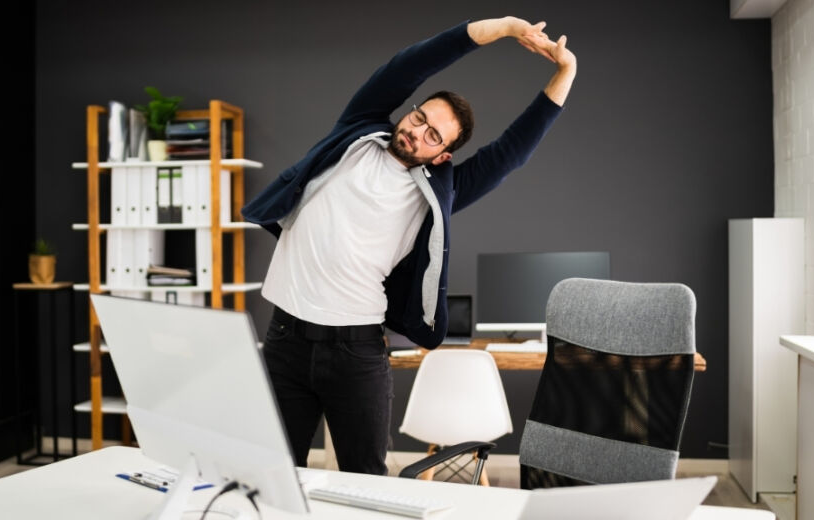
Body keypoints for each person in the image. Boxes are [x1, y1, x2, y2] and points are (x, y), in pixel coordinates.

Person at [241, 16, 576, 475]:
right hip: (284, 339)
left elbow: (511, 153)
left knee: (367, 483)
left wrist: (565, 73)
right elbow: (409, 66)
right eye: (420, 118)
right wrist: (500, 28)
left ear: (442, 155)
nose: (416, 132)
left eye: (433, 135)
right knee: (275, 476)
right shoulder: (357, 133)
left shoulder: (436, 194)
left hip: (355, 352)